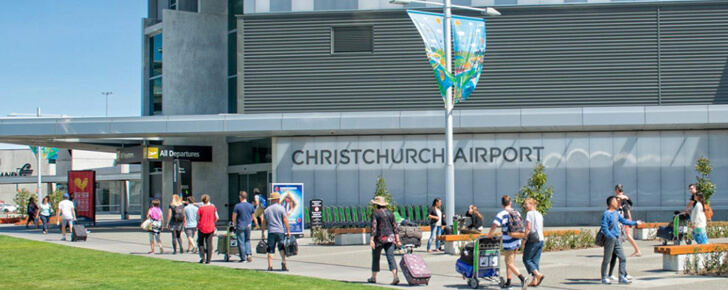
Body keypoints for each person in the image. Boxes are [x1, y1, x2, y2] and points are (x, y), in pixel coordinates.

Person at [487, 195, 531, 289]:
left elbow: (494, 225)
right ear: (510, 202)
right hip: (517, 240)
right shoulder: (516, 212)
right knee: (510, 262)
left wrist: (490, 235)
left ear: (502, 204)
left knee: (509, 263)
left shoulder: (501, 214)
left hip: (508, 242)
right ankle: (509, 281)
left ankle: (522, 278)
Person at [601, 196, 643, 284]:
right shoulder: (606, 214)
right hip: (610, 239)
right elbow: (604, 228)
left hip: (617, 239)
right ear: (611, 203)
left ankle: (621, 277)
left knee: (623, 258)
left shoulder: (616, 213)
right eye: (616, 201)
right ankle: (604, 277)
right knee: (607, 259)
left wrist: (635, 222)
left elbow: (624, 221)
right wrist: (610, 236)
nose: (617, 203)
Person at [367, 196, 401, 285]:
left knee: (376, 258)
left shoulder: (376, 213)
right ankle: (395, 276)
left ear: (376, 205)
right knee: (391, 257)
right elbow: (395, 227)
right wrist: (397, 240)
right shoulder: (390, 213)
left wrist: (371, 239)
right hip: (390, 238)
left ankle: (373, 277)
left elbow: (374, 227)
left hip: (379, 238)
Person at [264, 192, 291, 271]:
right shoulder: (281, 208)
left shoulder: (267, 210)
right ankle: (283, 263)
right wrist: (288, 230)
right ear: (277, 199)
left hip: (271, 231)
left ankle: (270, 266)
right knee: (282, 248)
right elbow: (285, 220)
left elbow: (264, 222)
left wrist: (262, 232)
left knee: (270, 249)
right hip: (280, 231)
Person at [522, 198, 545, 287]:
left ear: (532, 204)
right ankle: (535, 280)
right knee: (535, 260)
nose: (525, 206)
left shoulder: (530, 214)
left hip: (533, 239)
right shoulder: (539, 214)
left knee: (526, 259)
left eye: (526, 204)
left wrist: (524, 240)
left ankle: (539, 275)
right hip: (540, 239)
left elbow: (528, 227)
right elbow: (541, 227)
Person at [232, 191, 258, 262]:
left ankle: (243, 257)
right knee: (247, 240)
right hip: (248, 225)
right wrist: (250, 222)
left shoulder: (237, 206)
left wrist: (234, 223)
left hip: (240, 225)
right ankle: (249, 254)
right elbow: (253, 216)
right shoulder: (250, 205)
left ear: (240, 197)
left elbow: (234, 216)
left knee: (241, 241)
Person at [614, 184, 640, 257]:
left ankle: (637, 250)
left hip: (623, 218)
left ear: (616, 190)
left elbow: (626, 210)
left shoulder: (619, 199)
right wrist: (631, 220)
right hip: (625, 218)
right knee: (622, 234)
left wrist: (630, 221)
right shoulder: (625, 198)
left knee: (627, 235)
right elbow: (628, 209)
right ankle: (617, 250)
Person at [197, 194, 219, 264]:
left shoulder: (200, 208)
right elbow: (217, 217)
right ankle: (208, 259)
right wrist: (213, 222)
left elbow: (198, 218)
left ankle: (202, 257)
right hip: (210, 226)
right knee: (209, 243)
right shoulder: (213, 207)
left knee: (201, 242)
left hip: (202, 227)